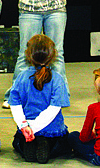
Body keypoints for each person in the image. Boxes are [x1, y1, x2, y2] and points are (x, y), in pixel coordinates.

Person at [8, 34, 71, 164]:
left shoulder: (21, 77)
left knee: (16, 142)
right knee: (66, 143)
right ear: (53, 55)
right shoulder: (58, 79)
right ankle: (47, 145)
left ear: (28, 55)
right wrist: (36, 128)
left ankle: (28, 145)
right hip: (52, 130)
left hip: (27, 130)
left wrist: (26, 126)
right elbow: (54, 108)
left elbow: (15, 104)